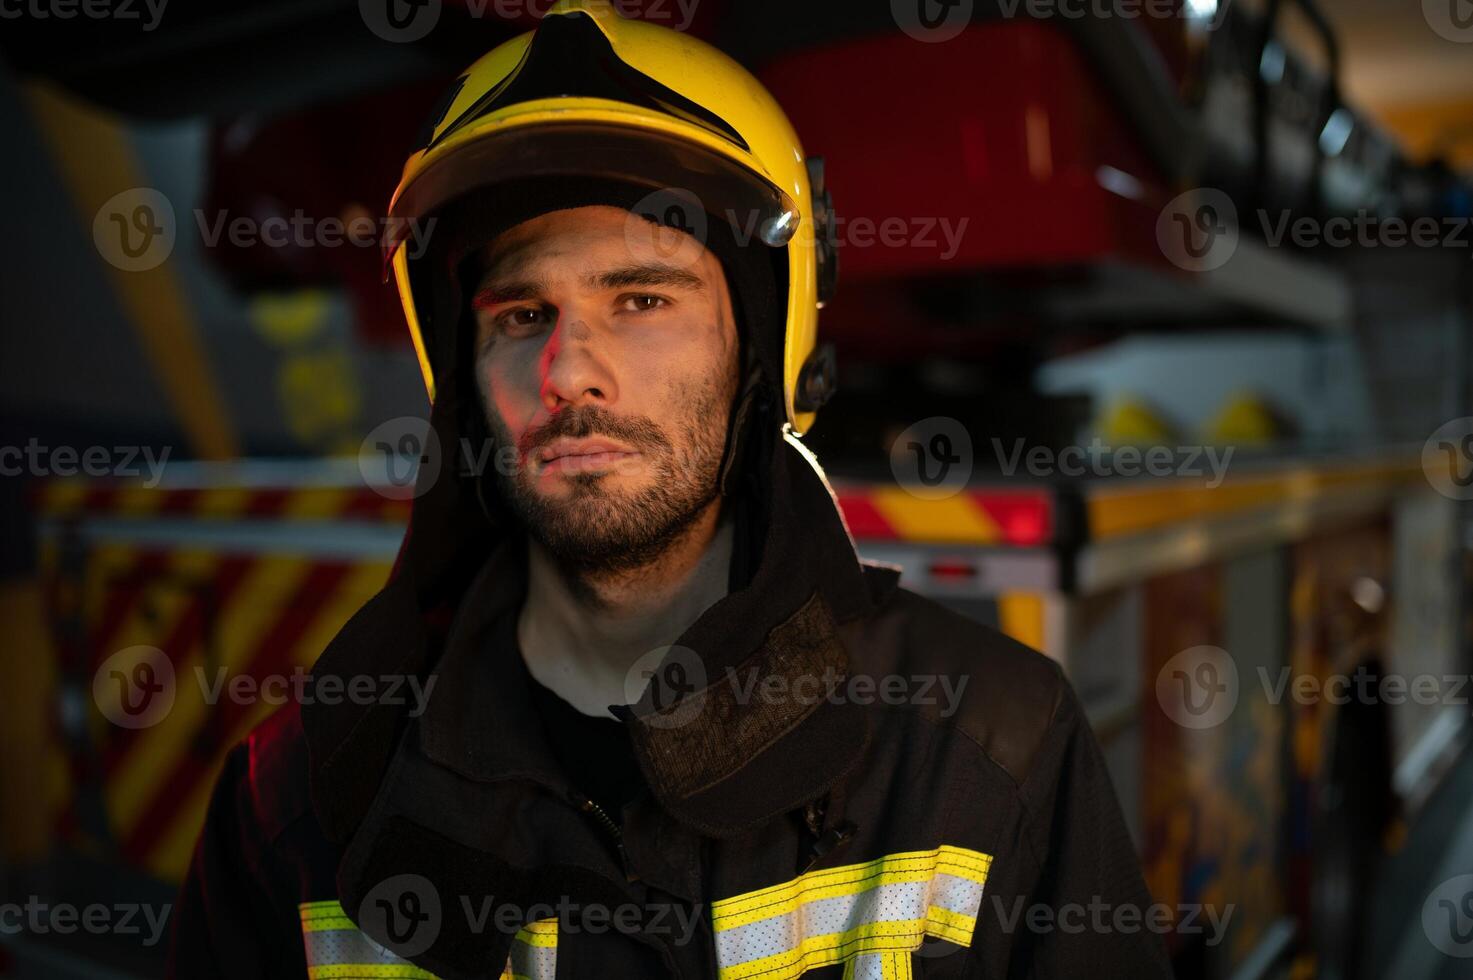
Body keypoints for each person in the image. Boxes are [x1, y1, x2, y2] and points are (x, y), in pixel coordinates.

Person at [168, 3, 1170, 977]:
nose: (567, 372)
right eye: (520, 314)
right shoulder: (295, 796)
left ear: (764, 344)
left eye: (642, 298)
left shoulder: (988, 746)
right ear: (462, 377)